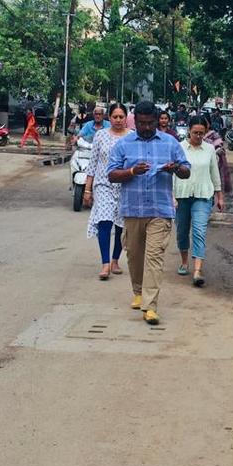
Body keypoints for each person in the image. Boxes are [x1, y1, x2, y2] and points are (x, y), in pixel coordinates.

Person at [108, 101, 192, 325]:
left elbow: (186, 171)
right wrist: (132, 171)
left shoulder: (170, 143)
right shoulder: (124, 144)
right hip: (133, 210)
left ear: (158, 121)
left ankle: (150, 306)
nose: (146, 127)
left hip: (160, 210)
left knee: (154, 258)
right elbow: (112, 174)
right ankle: (138, 291)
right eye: (142, 123)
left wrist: (175, 168)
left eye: (150, 123)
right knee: (134, 256)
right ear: (135, 121)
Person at [174, 117, 226, 287]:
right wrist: (171, 196)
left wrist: (219, 196)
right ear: (189, 130)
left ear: (206, 132)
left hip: (203, 195)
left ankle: (197, 270)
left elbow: (214, 173)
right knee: (182, 231)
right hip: (182, 195)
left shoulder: (210, 149)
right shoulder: (178, 148)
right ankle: (184, 261)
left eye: (201, 133)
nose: (198, 136)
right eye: (195, 132)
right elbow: (172, 173)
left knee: (199, 230)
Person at [85, 103, 132, 280]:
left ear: (126, 118)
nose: (118, 120)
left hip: (125, 185)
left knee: (121, 226)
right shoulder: (100, 136)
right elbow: (93, 163)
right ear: (109, 118)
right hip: (103, 185)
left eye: (121, 117)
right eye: (115, 117)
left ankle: (115, 260)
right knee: (104, 221)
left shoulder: (132, 137)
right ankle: (105, 264)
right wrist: (87, 190)